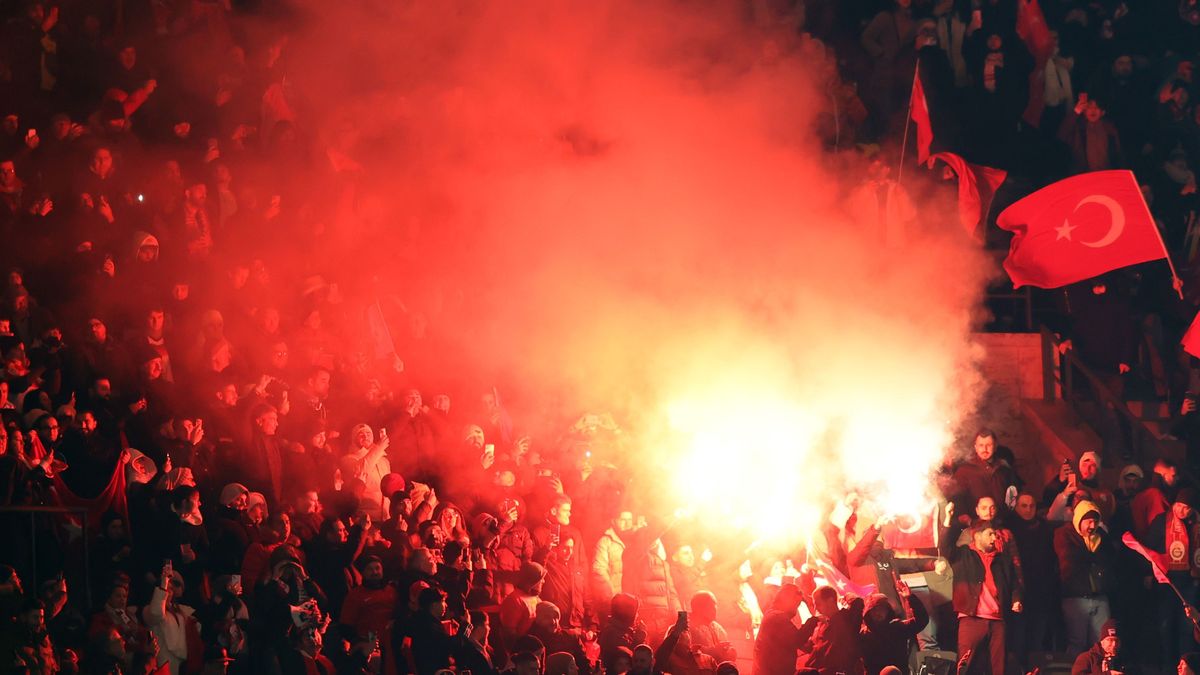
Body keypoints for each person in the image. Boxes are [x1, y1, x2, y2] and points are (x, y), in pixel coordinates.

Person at [940, 513, 1023, 675]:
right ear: (977, 536)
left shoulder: (1002, 559)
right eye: (990, 534)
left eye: (995, 534)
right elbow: (945, 547)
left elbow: (1014, 583)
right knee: (966, 666)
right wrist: (948, 521)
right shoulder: (964, 555)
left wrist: (1016, 599)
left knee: (998, 668)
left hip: (998, 621)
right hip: (971, 619)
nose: (994, 537)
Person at [797, 585, 865, 675]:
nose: (815, 608)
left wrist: (846, 596)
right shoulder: (821, 625)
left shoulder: (848, 618)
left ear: (830, 601)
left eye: (818, 604)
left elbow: (858, 602)